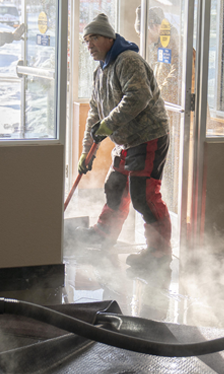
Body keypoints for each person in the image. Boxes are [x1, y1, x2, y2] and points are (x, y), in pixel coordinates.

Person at [77, 13, 172, 269]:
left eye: (94, 38)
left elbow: (137, 98)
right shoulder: (101, 72)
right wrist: (87, 153)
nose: (89, 45)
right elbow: (95, 115)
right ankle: (104, 234)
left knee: (144, 195)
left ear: (109, 38)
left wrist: (109, 124)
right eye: (86, 41)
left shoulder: (127, 61)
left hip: (147, 136)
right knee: (115, 187)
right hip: (126, 140)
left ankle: (159, 253)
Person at [134, 6, 181, 105]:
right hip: (167, 105)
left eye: (141, 34)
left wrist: (156, 94)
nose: (141, 38)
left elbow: (178, 74)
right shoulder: (158, 45)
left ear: (154, 27)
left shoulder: (176, 43)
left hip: (181, 109)